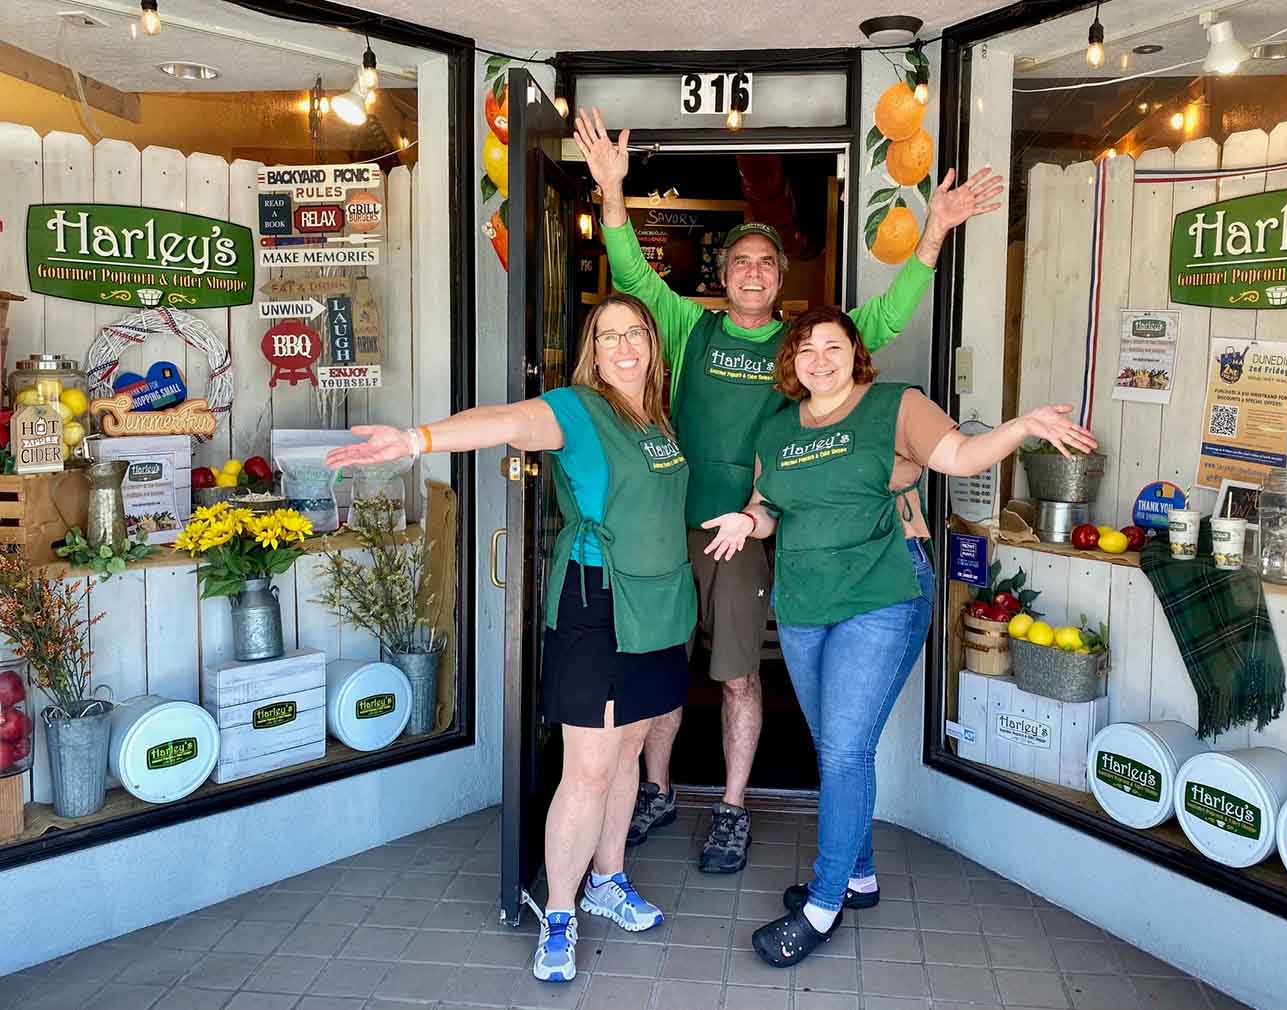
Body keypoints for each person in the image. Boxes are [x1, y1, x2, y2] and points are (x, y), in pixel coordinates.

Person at [574, 108, 1004, 873]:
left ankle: (733, 807)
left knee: (738, 672)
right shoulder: (685, 328)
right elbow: (634, 273)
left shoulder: (809, 347)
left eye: (765, 263)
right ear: (721, 272)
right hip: (666, 528)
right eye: (738, 260)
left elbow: (890, 312)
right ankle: (659, 788)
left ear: (781, 279)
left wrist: (934, 231)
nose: (751, 271)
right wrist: (611, 193)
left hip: (747, 532)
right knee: (661, 668)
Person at [700, 306, 1096, 966]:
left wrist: (1023, 426)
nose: (818, 358)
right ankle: (858, 878)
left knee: (847, 748)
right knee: (834, 744)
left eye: (832, 345)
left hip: (881, 592)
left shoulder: (895, 406)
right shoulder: (777, 428)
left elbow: (963, 454)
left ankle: (823, 904)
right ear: (791, 363)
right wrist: (747, 520)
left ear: (856, 353)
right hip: (804, 601)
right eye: (804, 349)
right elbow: (771, 506)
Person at [326, 293, 693, 985]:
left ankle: (607, 881)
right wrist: (415, 441)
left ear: (652, 343)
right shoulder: (577, 409)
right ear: (593, 350)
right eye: (608, 336)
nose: (623, 347)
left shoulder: (659, 419)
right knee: (587, 766)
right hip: (600, 604)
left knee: (631, 749)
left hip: (663, 604)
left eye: (635, 333)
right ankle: (559, 912)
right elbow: (501, 420)